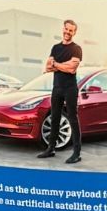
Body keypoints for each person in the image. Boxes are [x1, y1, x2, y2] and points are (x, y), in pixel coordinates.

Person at [37, 18, 82, 163]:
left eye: (71, 30)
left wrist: (56, 64)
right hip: (57, 88)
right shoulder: (55, 48)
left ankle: (76, 153)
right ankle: (51, 148)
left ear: (74, 32)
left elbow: (71, 68)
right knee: (55, 118)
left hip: (70, 89)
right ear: (63, 29)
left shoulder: (76, 48)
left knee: (73, 119)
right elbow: (48, 67)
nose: (68, 32)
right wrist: (61, 65)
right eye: (66, 29)